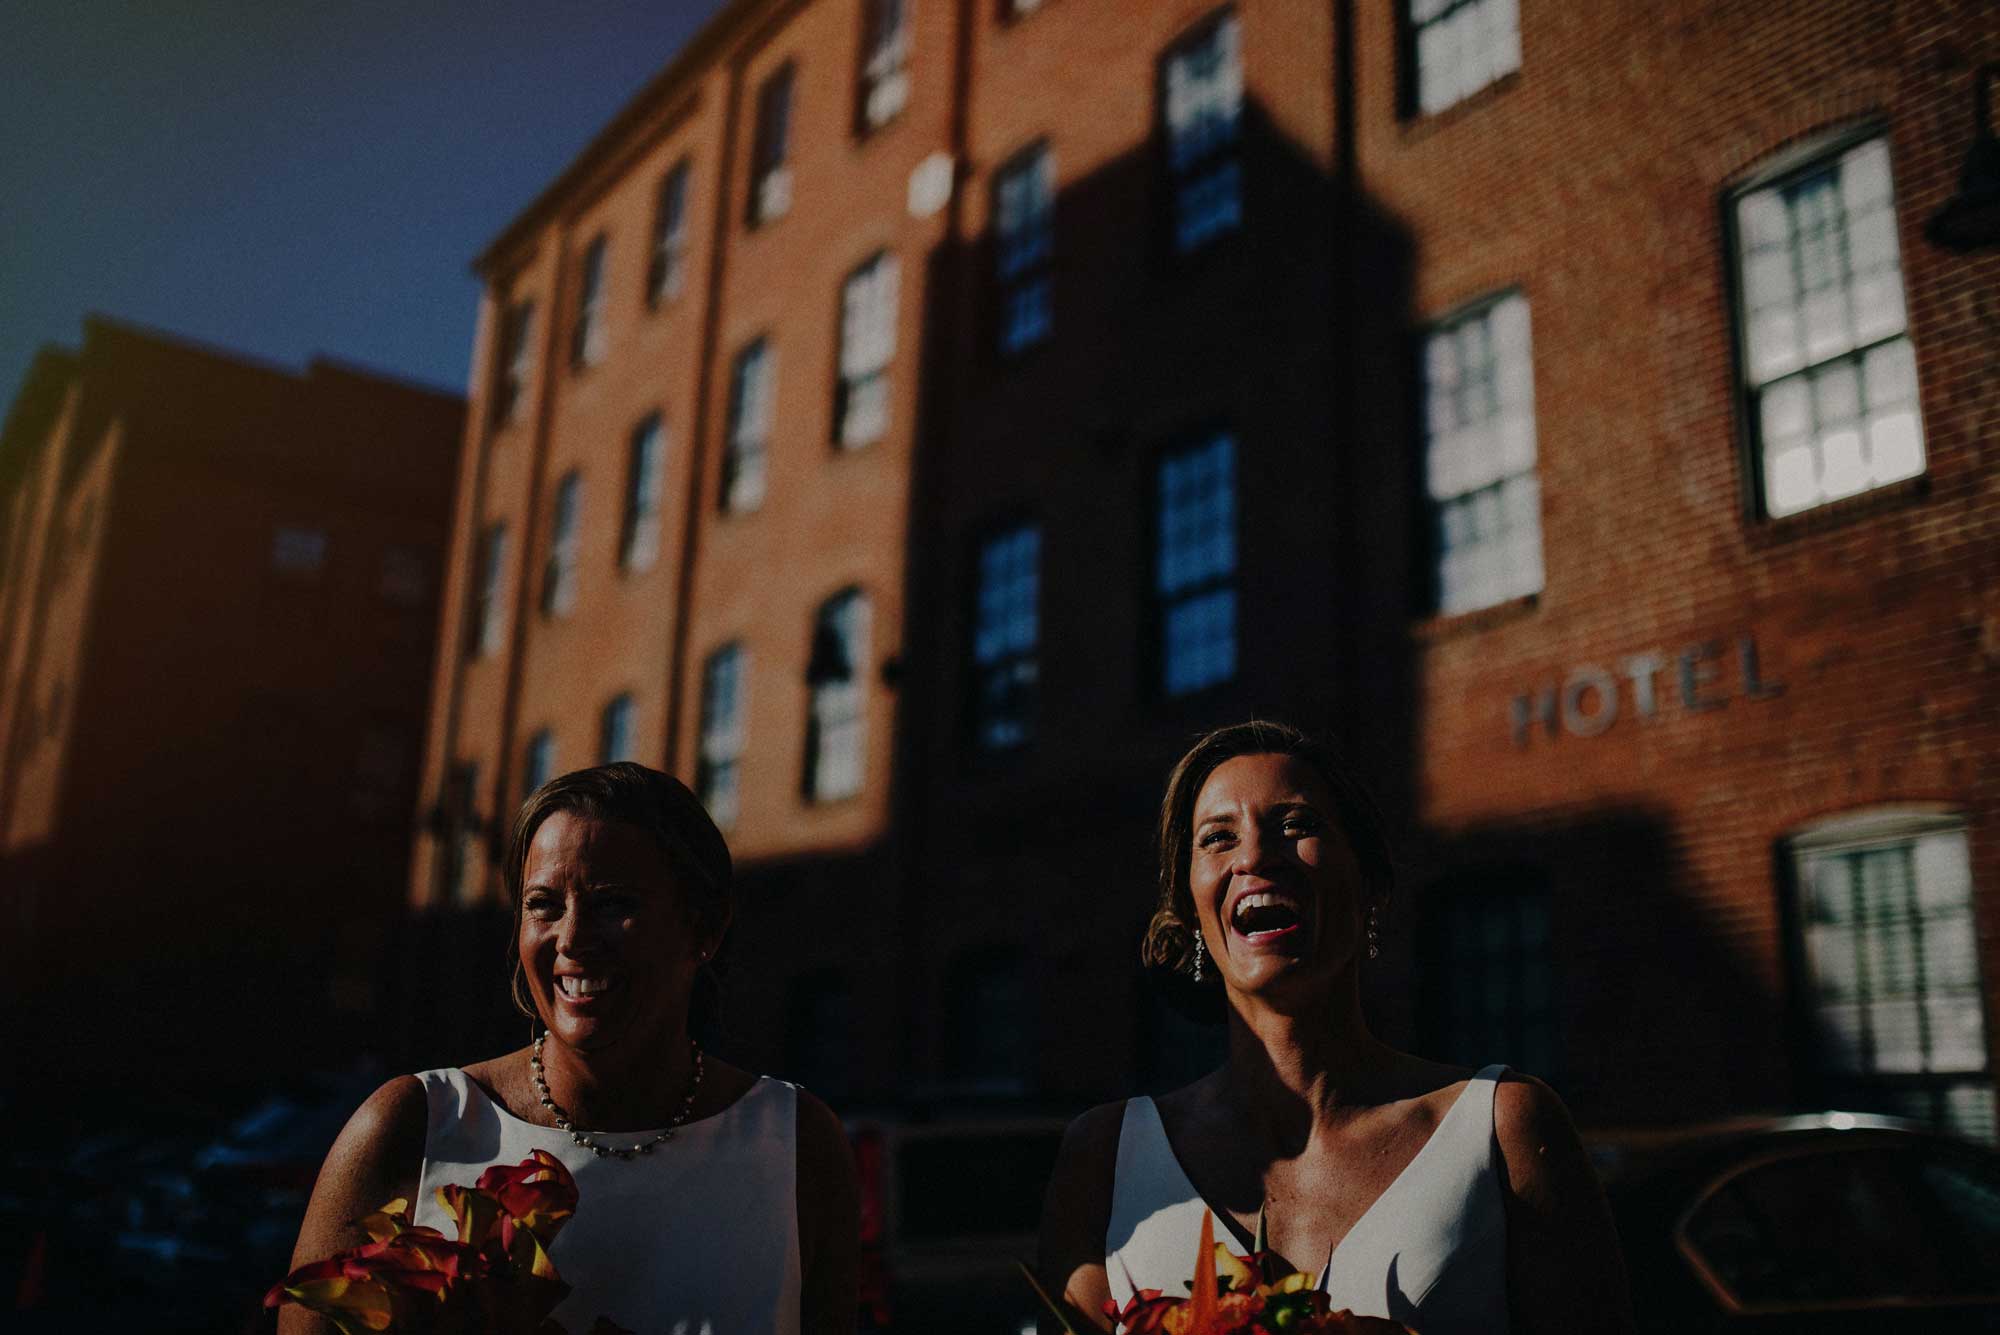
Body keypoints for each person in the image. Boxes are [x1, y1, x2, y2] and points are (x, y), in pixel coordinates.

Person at [1037, 722, 1632, 1334]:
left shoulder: (1503, 1127)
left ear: (1370, 885)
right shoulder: (1103, 1158)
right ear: (1191, 912)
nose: (1254, 857)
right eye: (1217, 838)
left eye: (1296, 826)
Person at [282, 762, 859, 1335]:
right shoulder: (414, 1124)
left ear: (704, 928)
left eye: (614, 904)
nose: (574, 938)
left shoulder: (796, 1142)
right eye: (544, 905)